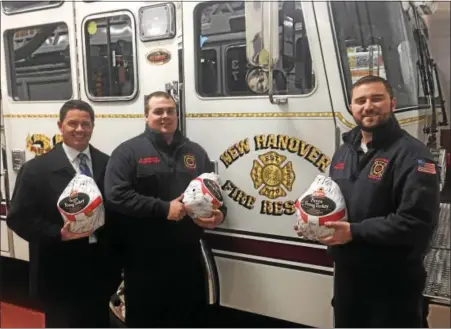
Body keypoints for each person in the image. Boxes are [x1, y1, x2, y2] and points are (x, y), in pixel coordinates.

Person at [295, 75, 440, 327]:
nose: (368, 106)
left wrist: (353, 232)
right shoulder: (344, 152)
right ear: (351, 108)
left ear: (392, 104)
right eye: (360, 101)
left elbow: (417, 224)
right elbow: (337, 206)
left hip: (393, 286)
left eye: (377, 98)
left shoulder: (413, 155)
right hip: (348, 281)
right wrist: (314, 222)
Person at [104, 91, 227, 328]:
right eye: (158, 111)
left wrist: (220, 215)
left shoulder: (195, 152)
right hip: (144, 257)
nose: (165, 116)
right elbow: (116, 195)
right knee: (148, 320)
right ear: (146, 115)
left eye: (170, 111)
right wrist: (164, 209)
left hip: (187, 255)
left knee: (189, 318)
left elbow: (214, 193)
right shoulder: (128, 152)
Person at [6, 100, 121, 328]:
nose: (80, 129)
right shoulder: (36, 170)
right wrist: (57, 234)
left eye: (85, 124)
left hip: (100, 269)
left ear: (93, 127)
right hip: (59, 272)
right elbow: (18, 218)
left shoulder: (107, 164)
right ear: (60, 126)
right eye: (73, 124)